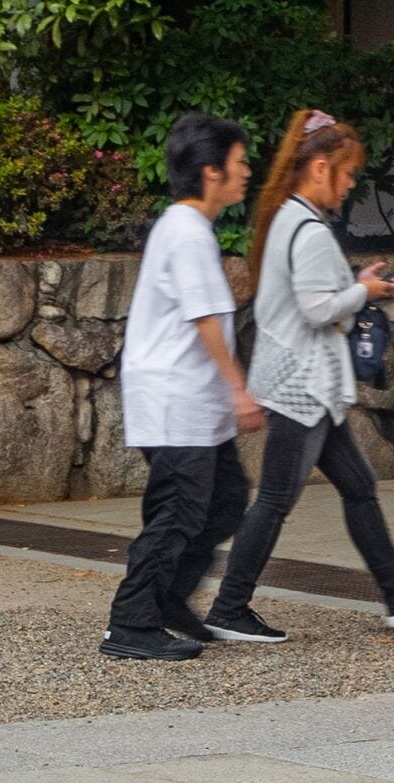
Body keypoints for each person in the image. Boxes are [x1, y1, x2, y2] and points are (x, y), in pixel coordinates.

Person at [200, 110, 394, 642]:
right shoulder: (309, 228)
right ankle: (229, 607)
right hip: (304, 385)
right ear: (319, 168)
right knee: (277, 498)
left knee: (358, 486)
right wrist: (364, 292)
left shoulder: (286, 219)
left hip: (303, 382)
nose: (349, 186)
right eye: (346, 175)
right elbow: (320, 310)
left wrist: (356, 286)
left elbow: (314, 299)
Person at [105, 113, 258, 660]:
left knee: (225, 502)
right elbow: (205, 321)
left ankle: (167, 600)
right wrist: (240, 390)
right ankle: (130, 624)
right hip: (177, 401)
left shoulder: (187, 227)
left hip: (195, 401)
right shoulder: (187, 231)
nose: (246, 173)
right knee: (176, 515)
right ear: (211, 171)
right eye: (239, 163)